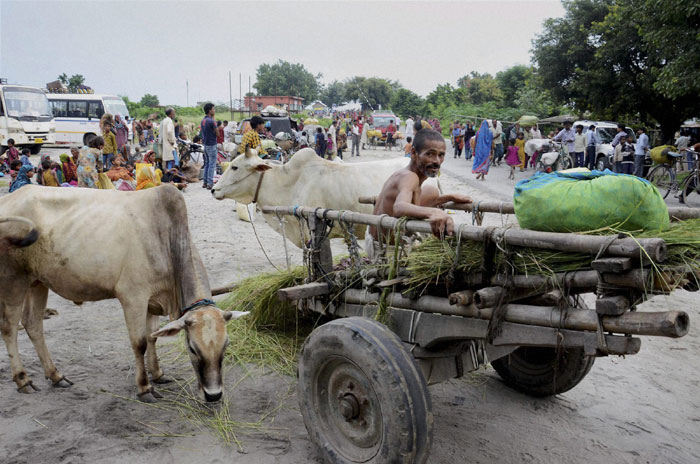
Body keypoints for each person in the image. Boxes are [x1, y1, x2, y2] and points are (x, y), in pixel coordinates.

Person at [370, 129, 471, 252]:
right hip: (385, 250)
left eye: (441, 155)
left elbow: (412, 205)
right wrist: (433, 212)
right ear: (413, 153)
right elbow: (399, 207)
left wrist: (450, 197)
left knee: (431, 191)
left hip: (378, 242)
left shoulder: (412, 178)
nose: (437, 161)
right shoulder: (409, 176)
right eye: (430, 154)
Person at [200, 103, 218, 190]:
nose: (214, 110)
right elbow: (217, 133)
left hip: (205, 144)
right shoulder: (212, 121)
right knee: (212, 164)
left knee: (207, 163)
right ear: (210, 110)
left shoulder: (203, 120)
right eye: (213, 109)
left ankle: (205, 182)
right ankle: (210, 183)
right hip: (212, 144)